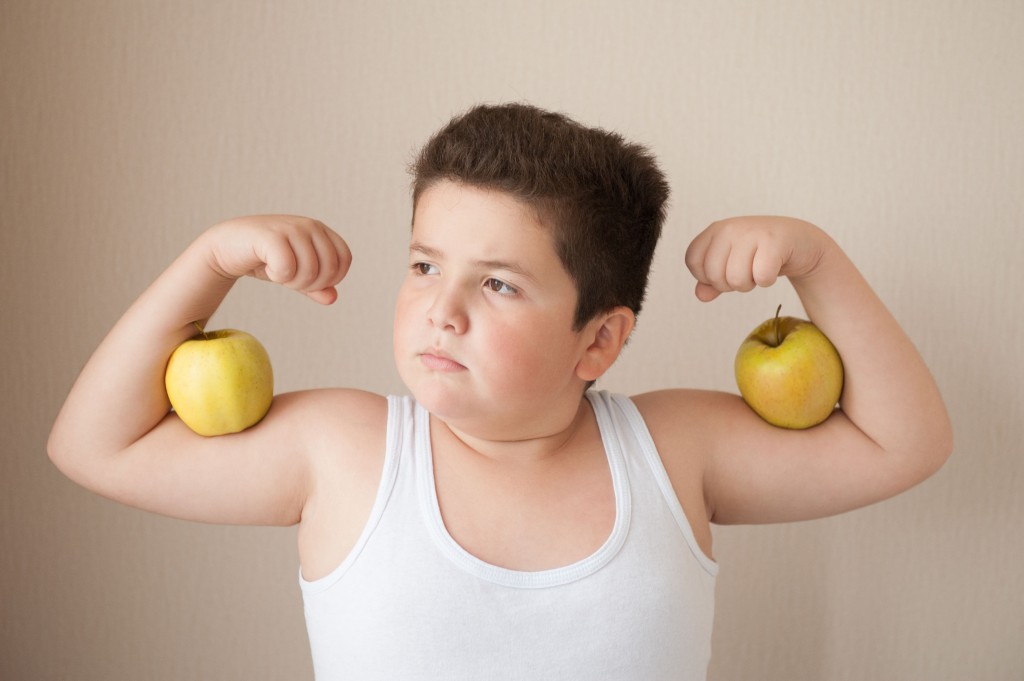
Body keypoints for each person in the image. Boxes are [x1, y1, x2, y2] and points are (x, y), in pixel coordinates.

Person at [48, 103, 953, 680]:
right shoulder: (348, 449)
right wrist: (207, 265)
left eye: (498, 284)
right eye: (424, 264)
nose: (440, 310)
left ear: (598, 339)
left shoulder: (669, 450)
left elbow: (903, 441)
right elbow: (92, 445)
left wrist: (817, 264)